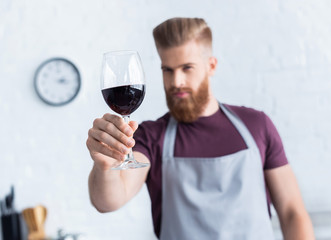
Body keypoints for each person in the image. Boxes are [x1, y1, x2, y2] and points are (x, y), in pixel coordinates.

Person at [87, 17, 315, 239]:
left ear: (211, 66)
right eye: (168, 69)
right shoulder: (151, 136)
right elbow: (108, 201)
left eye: (187, 68)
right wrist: (104, 165)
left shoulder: (257, 125)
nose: (176, 81)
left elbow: (292, 213)